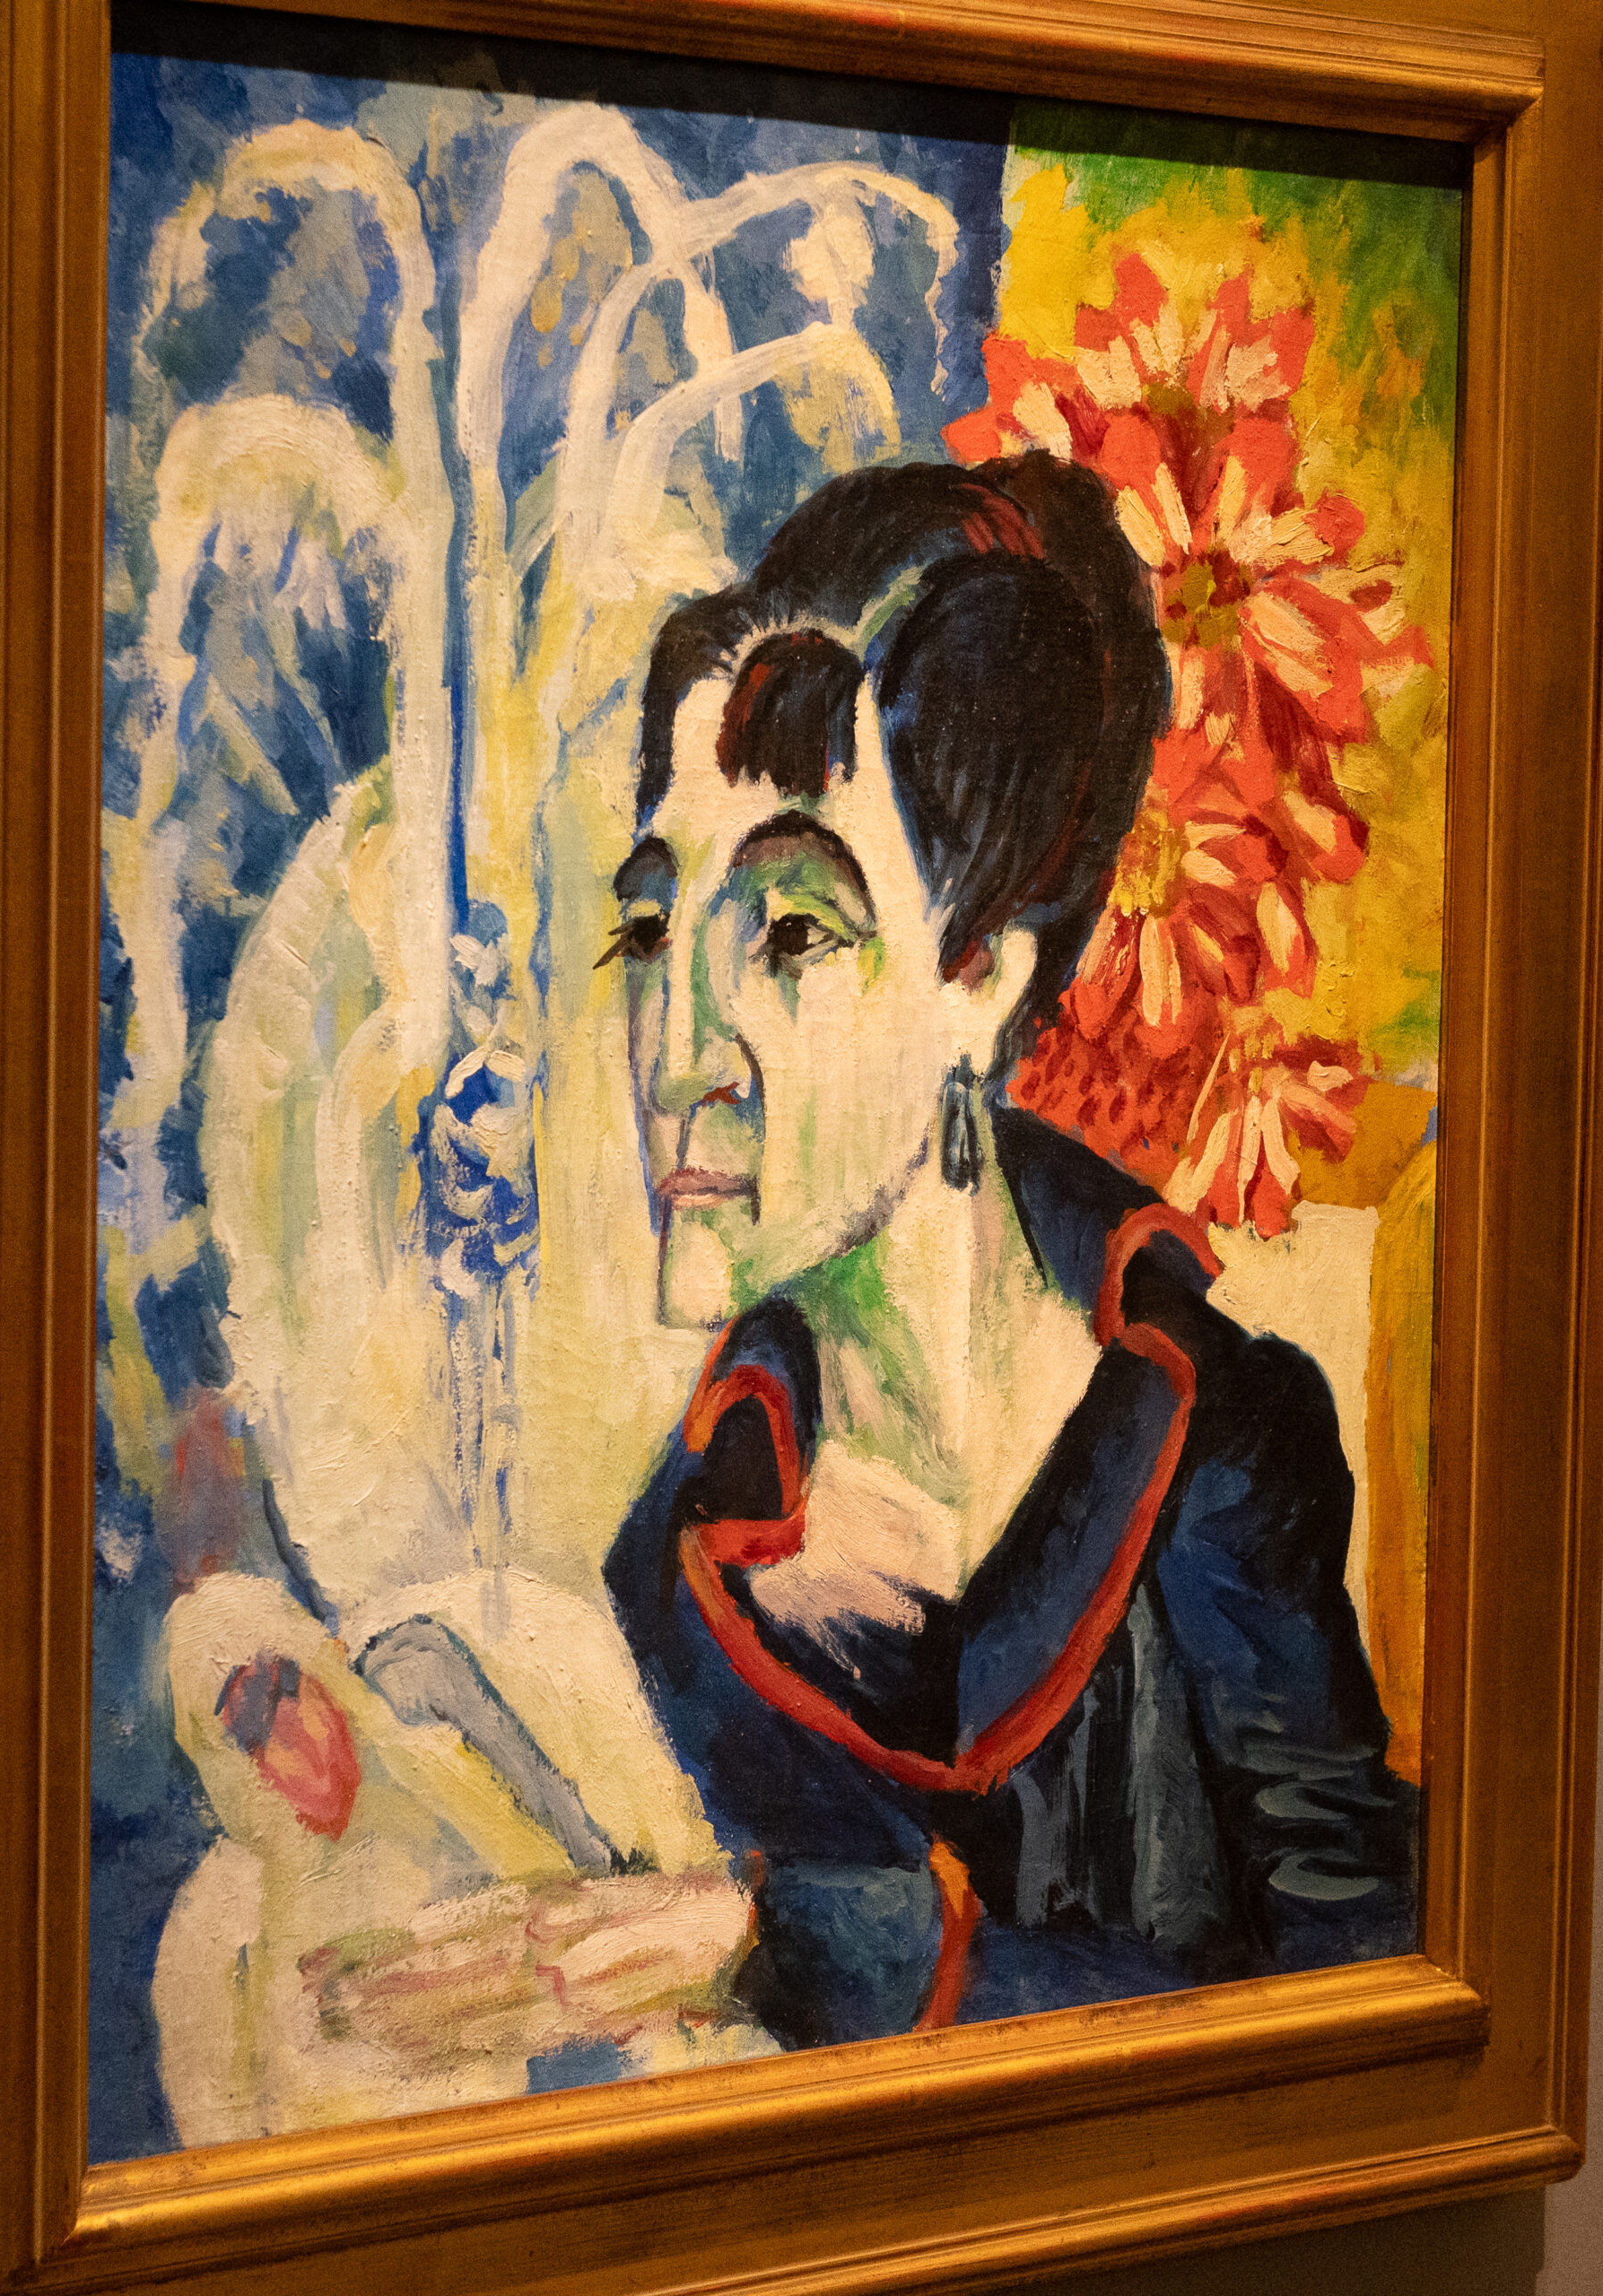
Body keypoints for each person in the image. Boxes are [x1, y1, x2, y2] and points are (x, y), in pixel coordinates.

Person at [602, 454, 1416, 2049]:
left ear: (978, 977)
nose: (677, 1053)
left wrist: (793, 1950)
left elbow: (1356, 2002)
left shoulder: (1217, 1446)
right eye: (646, 931)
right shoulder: (684, 1565)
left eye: (791, 933)